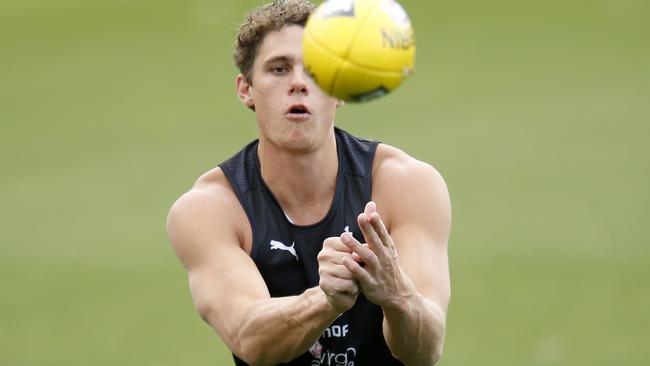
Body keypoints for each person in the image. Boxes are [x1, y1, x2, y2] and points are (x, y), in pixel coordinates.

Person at [166, 1, 451, 365]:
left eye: (317, 70)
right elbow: (250, 338)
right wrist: (325, 299)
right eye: (279, 69)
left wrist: (396, 295)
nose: (299, 83)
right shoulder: (209, 209)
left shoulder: (406, 185)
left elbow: (425, 351)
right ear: (246, 89)